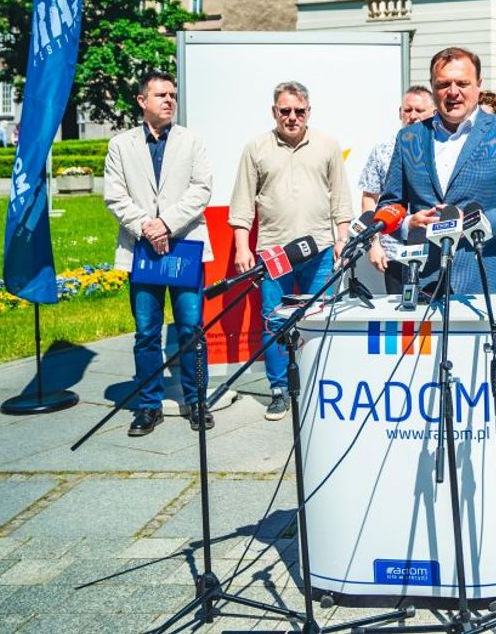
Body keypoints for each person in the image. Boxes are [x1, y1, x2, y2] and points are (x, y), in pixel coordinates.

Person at [229, 81, 352, 422]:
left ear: (309, 111)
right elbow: (242, 203)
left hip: (320, 249)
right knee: (274, 321)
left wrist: (342, 238)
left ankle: (317, 386)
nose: (292, 117)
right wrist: (242, 247)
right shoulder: (256, 148)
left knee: (320, 319)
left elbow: (341, 198)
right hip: (274, 252)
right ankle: (279, 390)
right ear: (274, 112)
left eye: (299, 111)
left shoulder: (328, 144)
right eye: (285, 111)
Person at [380, 47, 496, 296]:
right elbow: (389, 204)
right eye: (443, 84)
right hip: (425, 280)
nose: (453, 92)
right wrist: (407, 224)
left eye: (462, 83)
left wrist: (475, 222)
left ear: (478, 85)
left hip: (487, 281)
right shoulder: (409, 138)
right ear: (432, 87)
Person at [103, 70, 214, 436]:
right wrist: (148, 227)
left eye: (172, 95)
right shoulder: (120, 145)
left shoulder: (192, 141)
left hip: (184, 245)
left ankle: (197, 401)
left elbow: (201, 190)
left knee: (191, 329)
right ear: (142, 100)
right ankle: (149, 406)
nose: (169, 100)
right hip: (142, 250)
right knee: (147, 333)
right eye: (161, 95)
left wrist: (165, 223)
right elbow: (114, 196)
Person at [360, 86, 436, 295]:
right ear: (400, 113)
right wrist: (374, 243)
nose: (413, 116)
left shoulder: (442, 149)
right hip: (394, 251)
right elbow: (369, 199)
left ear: (433, 112)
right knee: (399, 313)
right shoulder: (382, 150)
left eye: (419, 110)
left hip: (432, 252)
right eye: (408, 110)